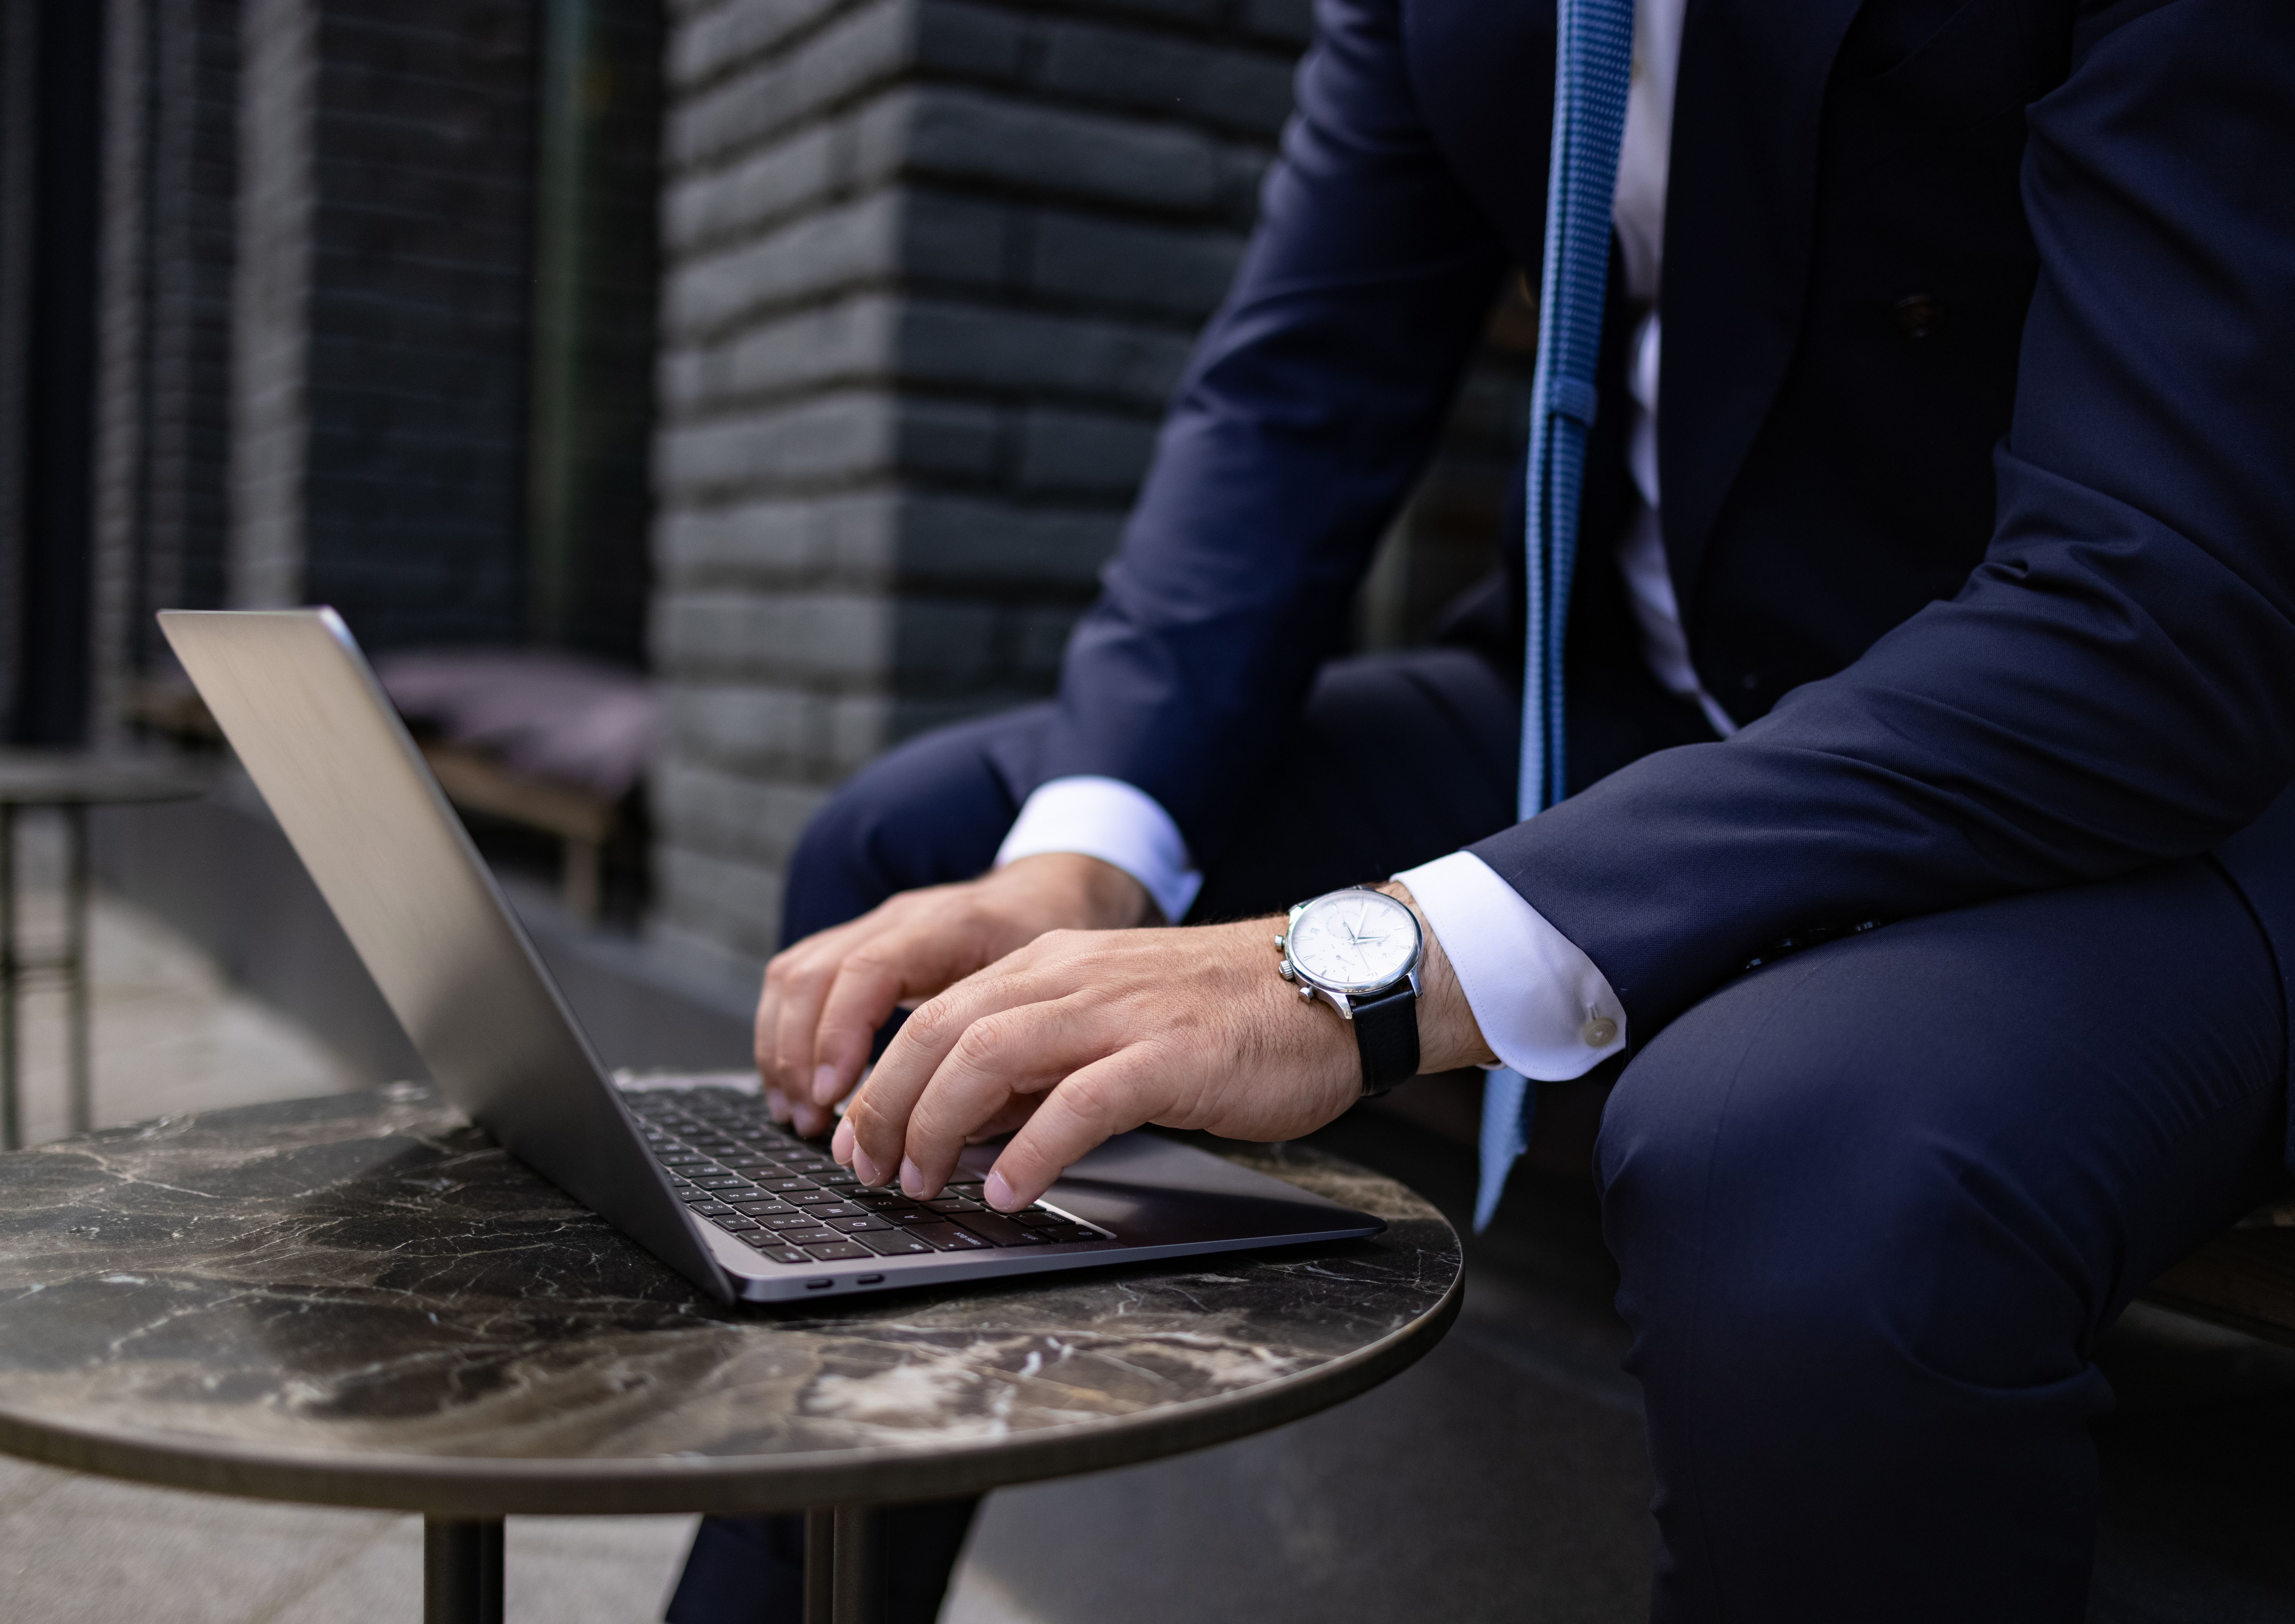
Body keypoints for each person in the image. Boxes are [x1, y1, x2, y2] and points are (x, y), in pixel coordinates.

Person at [666, 0, 2295, 1617]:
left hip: (2157, 745)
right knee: (938, 873)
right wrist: (1082, 864)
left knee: (1785, 1147)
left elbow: (2151, 608)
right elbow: (1298, 391)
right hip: (1641, 701)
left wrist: (1367, 969)